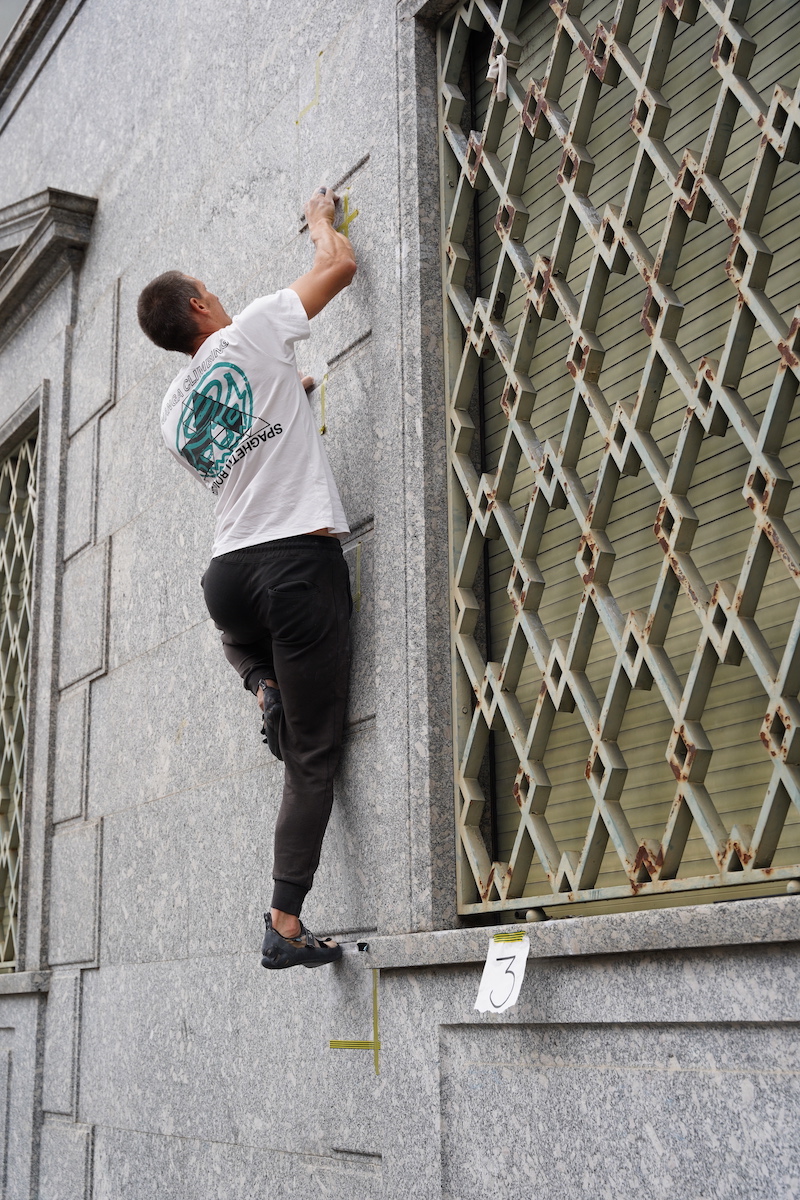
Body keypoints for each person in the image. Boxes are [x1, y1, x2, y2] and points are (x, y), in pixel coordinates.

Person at [137, 186, 357, 970]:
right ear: (200, 303)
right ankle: (284, 922)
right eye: (211, 289)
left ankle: (262, 683)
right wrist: (321, 220)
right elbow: (338, 267)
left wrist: (291, 390)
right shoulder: (254, 329)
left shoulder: (172, 413)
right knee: (311, 757)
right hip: (295, 564)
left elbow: (240, 437)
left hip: (228, 575)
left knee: (243, 633)